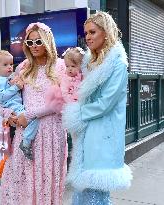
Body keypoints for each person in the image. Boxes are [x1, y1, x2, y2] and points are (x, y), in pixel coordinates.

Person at [62, 11, 133, 205]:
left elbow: (106, 103)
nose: (88, 37)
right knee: (83, 191)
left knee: (97, 193)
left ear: (106, 33)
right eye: (86, 33)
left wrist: (78, 113)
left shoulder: (118, 64)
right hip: (88, 132)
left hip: (104, 133)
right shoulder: (89, 62)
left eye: (93, 32)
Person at [0, 22, 67, 205]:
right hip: (25, 134)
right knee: (21, 181)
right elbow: (6, 98)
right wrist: (9, 115)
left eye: (38, 41)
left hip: (52, 133)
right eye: (30, 43)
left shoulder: (61, 66)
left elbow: (61, 103)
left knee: (46, 180)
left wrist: (29, 115)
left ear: (47, 41)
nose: (34, 46)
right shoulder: (23, 67)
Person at [0, 50, 39, 160]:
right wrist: (16, 87)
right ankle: (26, 142)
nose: (9, 67)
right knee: (33, 118)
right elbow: (0, 97)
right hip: (13, 107)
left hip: (17, 106)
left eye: (11, 64)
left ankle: (26, 141)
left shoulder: (7, 78)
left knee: (33, 118)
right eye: (5, 65)